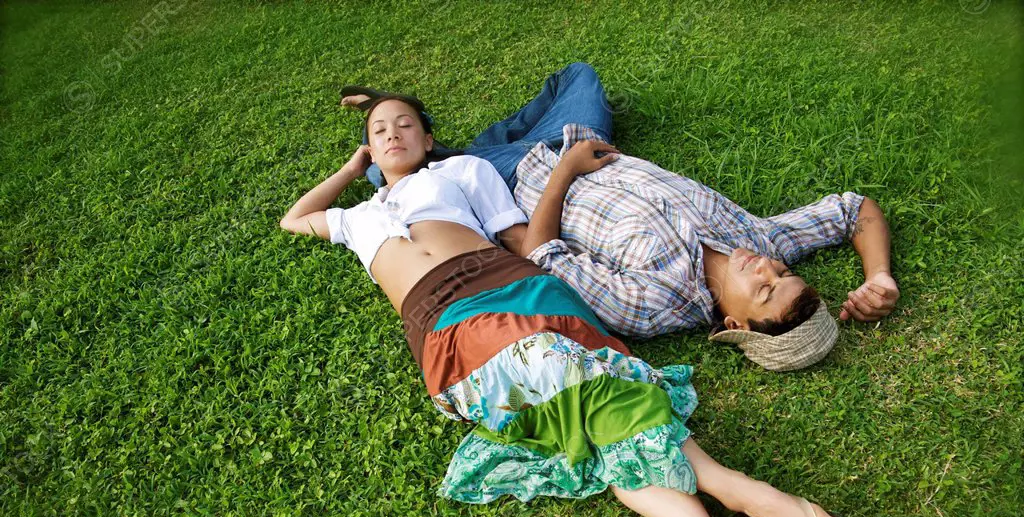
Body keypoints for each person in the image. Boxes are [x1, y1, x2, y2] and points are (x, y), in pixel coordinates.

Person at [279, 93, 854, 517]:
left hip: (516, 288)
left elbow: (522, 244)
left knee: (577, 400)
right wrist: (354, 168)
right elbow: (294, 219)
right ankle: (735, 490)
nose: (392, 135)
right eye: (379, 132)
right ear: (369, 153)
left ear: (428, 140)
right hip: (443, 326)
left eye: (405, 125)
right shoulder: (353, 217)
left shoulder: (460, 171)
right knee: (588, 397)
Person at [340, 63, 900, 371]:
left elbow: (539, 253)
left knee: (391, 175)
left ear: (733, 326)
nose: (766, 269)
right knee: (578, 77)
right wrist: (878, 277)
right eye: (782, 273)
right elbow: (855, 211)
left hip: (516, 185)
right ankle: (455, 145)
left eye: (763, 290)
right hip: (579, 143)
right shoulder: (759, 240)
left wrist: (564, 174)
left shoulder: (654, 304)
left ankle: (430, 144)